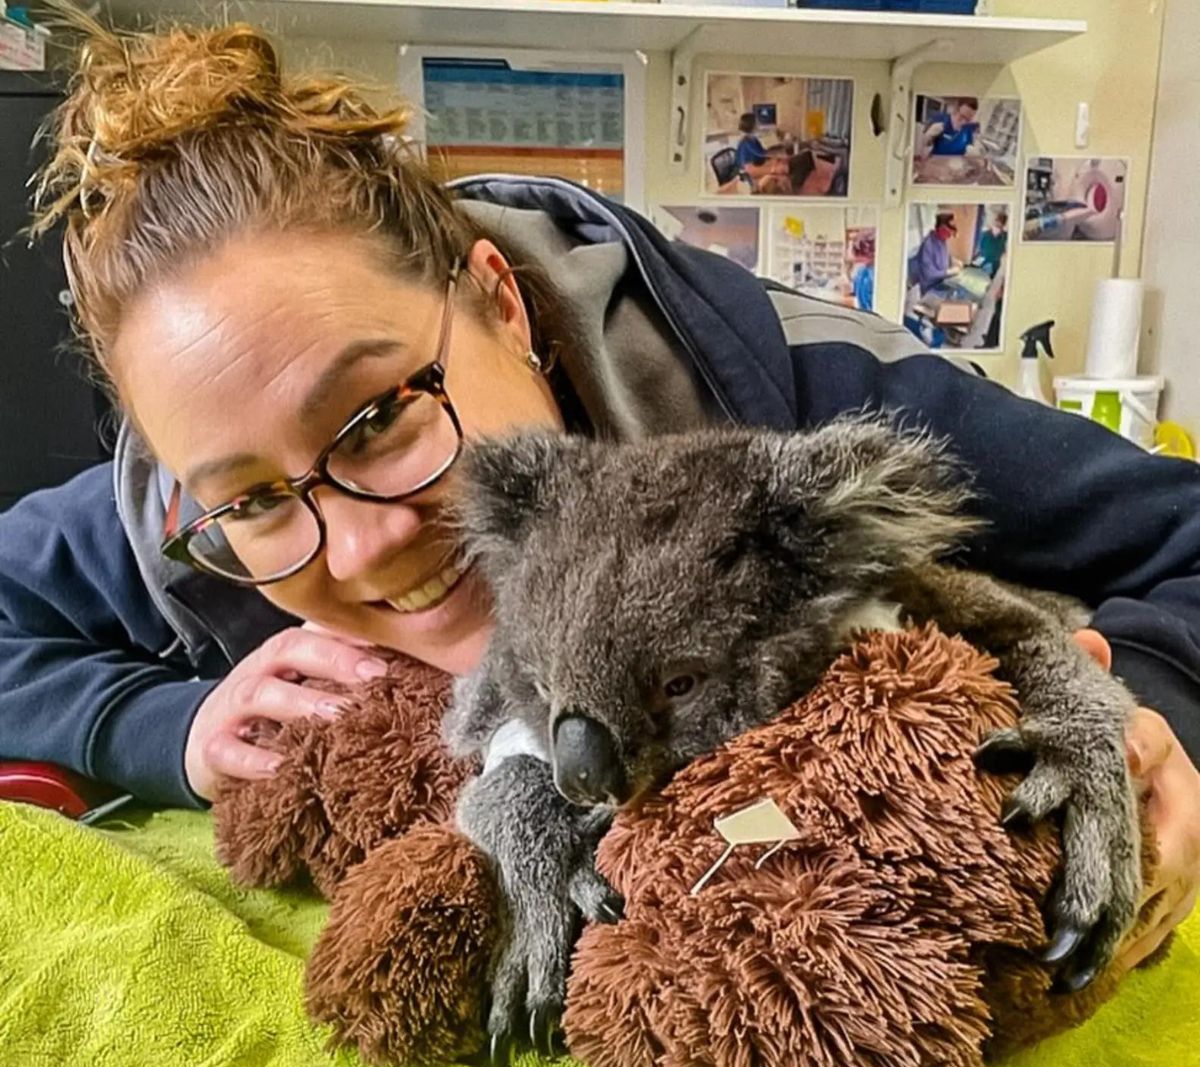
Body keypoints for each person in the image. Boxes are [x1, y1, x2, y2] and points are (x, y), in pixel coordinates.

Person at [2, 15, 1199, 981]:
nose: (363, 546)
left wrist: (1138, 708)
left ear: (502, 305)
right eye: (253, 498)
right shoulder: (179, 523)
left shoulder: (782, 385)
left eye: (378, 419)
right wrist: (169, 731)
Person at [908, 211, 961, 294]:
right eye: (948, 233)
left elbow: (942, 257)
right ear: (941, 229)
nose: (949, 237)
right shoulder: (928, 245)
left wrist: (952, 260)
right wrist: (948, 272)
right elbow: (929, 274)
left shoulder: (942, 241)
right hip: (930, 290)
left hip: (941, 284)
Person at [732, 112, 777, 186]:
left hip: (753, 164)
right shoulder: (746, 140)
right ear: (751, 125)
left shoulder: (752, 138)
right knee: (774, 172)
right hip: (745, 172)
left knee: (774, 166)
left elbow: (762, 152)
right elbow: (761, 154)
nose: (759, 124)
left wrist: (773, 153)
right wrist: (776, 155)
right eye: (757, 122)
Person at [975, 210, 1009, 278]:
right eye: (997, 221)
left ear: (1003, 224)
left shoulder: (1006, 236)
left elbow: (1005, 250)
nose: (998, 224)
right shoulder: (985, 234)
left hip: (995, 264)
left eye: (1001, 223)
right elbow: (979, 250)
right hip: (983, 262)